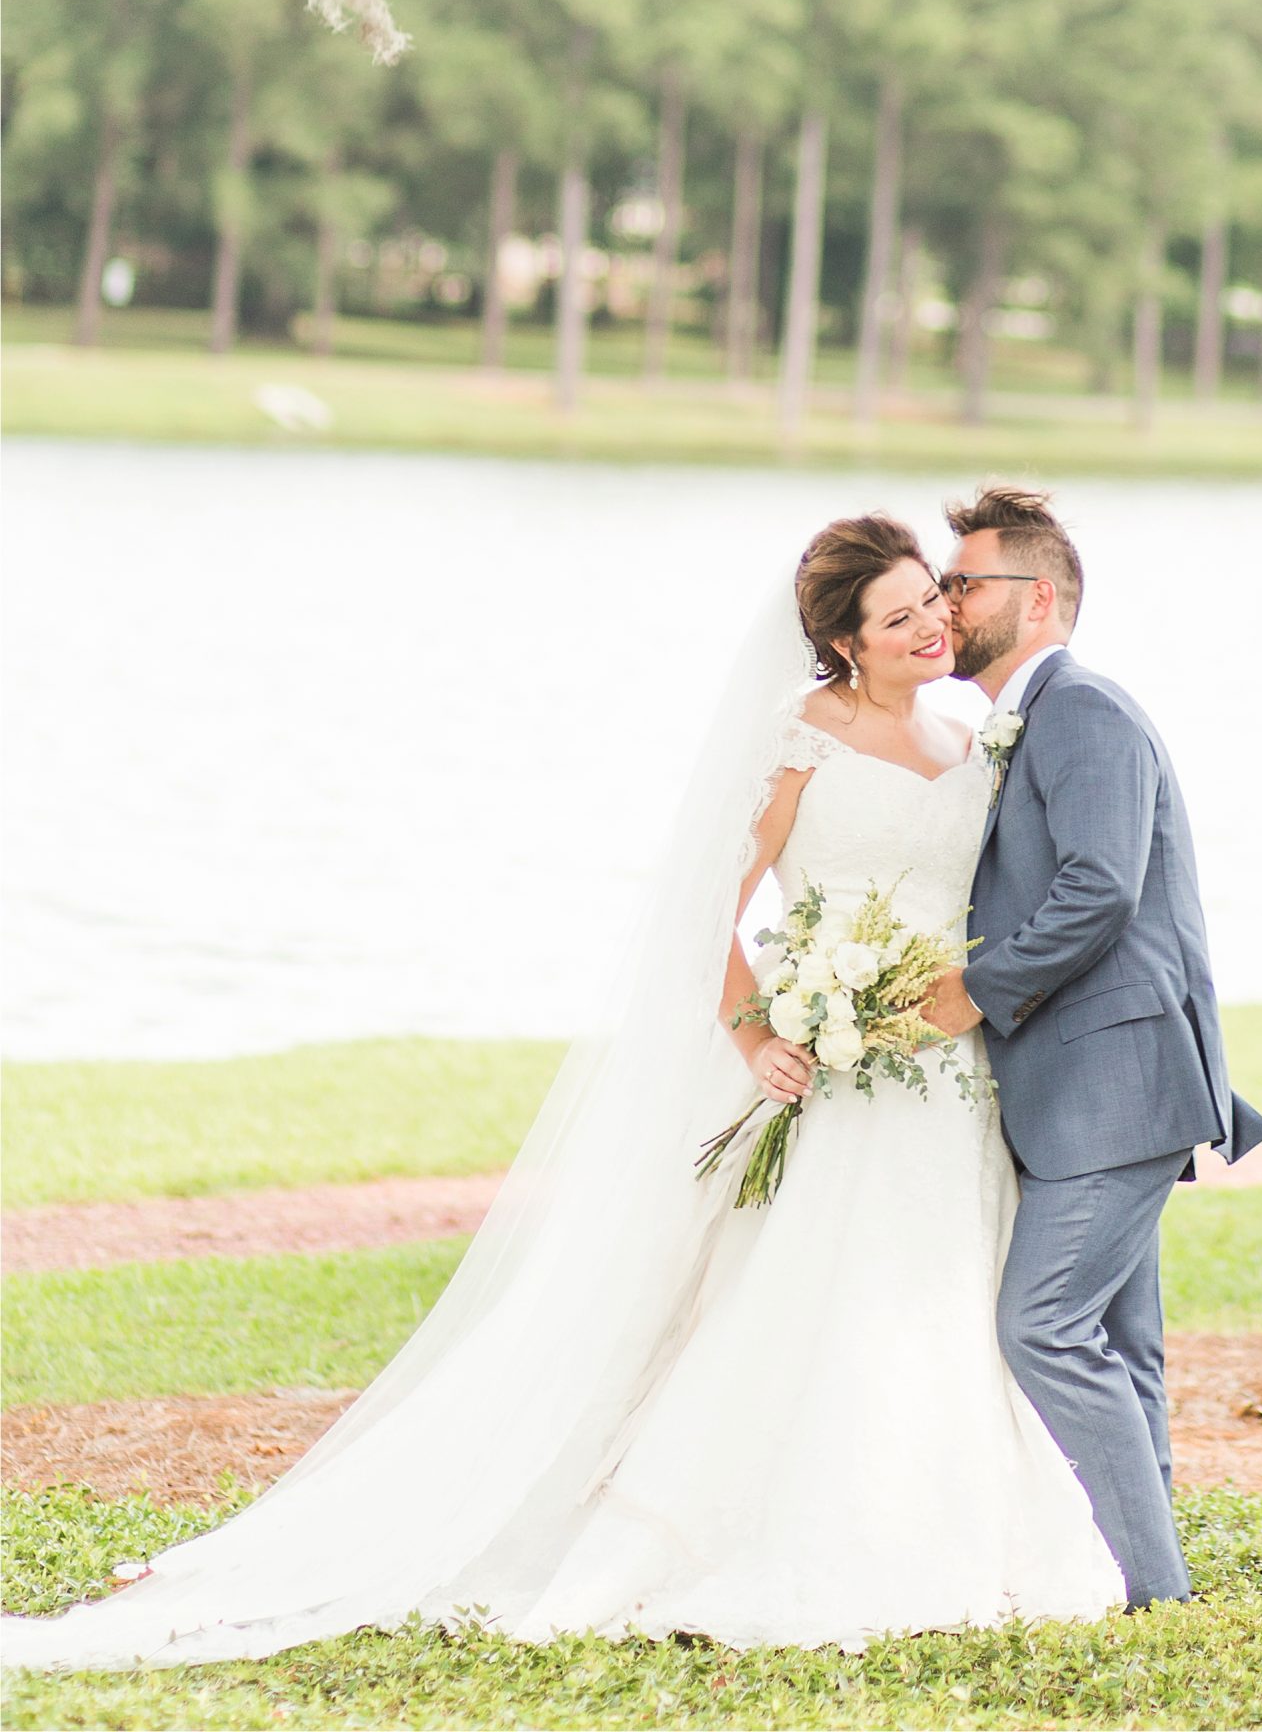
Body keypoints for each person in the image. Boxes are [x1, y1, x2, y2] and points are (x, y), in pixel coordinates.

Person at [4, 510, 1127, 1672]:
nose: (930, 628)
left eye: (931, 604)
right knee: (819, 1291)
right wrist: (757, 1029)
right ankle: (766, 1523)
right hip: (835, 1069)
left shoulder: (963, 727)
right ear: (841, 641)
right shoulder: (802, 739)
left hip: (946, 1073)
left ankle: (948, 1515)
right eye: (896, 619)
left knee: (940, 1286)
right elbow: (708, 902)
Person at [921, 484, 1262, 1612]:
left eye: (966, 580)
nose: (946, 598)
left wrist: (976, 989)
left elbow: (1100, 887)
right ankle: (1139, 1576)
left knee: (1043, 1323)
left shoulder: (1083, 711)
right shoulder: (1024, 721)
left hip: (1112, 1082)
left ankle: (1156, 1591)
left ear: (1042, 599)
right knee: (1121, 1339)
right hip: (1083, 1083)